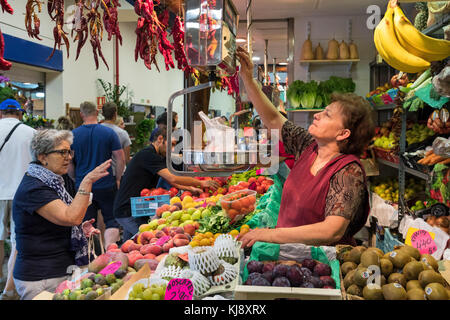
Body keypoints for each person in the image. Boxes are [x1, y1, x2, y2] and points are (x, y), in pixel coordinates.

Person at [236, 47, 375, 247]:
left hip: (320, 267)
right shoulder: (308, 146)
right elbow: (274, 118)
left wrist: (269, 234)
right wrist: (248, 78)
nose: (317, 115)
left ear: (343, 134)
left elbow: (332, 231)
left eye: (327, 114)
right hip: (290, 257)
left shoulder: (348, 171)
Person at [12, 129, 105, 300]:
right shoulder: (34, 187)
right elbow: (71, 217)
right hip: (42, 278)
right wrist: (87, 182)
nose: (69, 157)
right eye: (62, 152)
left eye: (70, 151)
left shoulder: (58, 180)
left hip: (61, 271)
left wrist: (80, 229)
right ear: (42, 157)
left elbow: (63, 221)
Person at [113, 127, 220, 240]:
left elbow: (171, 181)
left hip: (135, 208)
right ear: (160, 139)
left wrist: (191, 188)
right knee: (146, 240)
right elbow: (173, 178)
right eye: (172, 144)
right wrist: (201, 183)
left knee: (130, 245)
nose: (173, 149)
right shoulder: (148, 155)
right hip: (127, 211)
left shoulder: (157, 155)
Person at [69, 101, 125, 249]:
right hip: (106, 183)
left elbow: (69, 162)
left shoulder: (73, 135)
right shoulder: (109, 133)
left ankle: (94, 257)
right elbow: (120, 158)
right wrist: (118, 178)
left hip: (84, 187)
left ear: (82, 114)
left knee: (87, 223)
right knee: (111, 220)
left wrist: (76, 179)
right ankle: (109, 251)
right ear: (96, 113)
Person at [0, 99, 35, 300]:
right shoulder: (31, 133)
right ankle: (10, 287)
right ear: (20, 113)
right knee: (17, 240)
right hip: (22, 193)